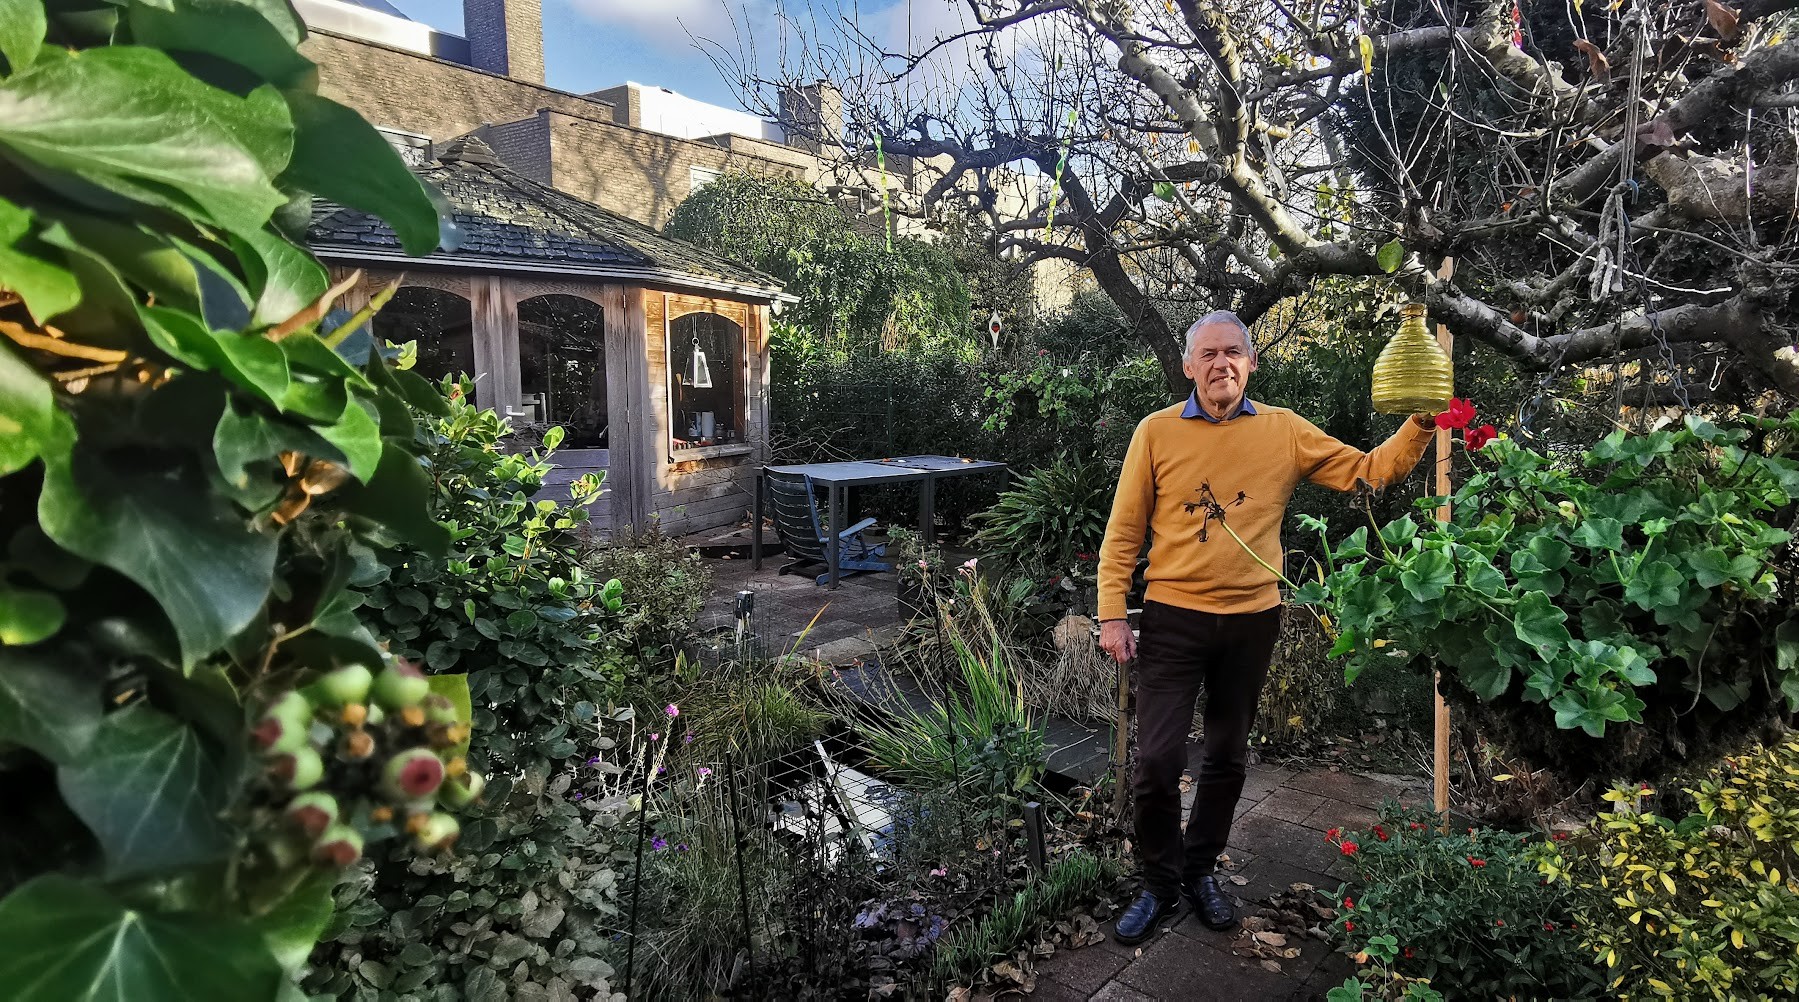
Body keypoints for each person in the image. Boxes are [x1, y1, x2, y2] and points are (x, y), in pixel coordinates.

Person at [1097, 310, 1438, 944]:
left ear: (1251, 363)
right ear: (1188, 366)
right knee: (1157, 760)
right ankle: (1159, 883)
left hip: (1252, 620)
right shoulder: (1156, 432)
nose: (1220, 364)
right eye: (1207, 354)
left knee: (1227, 755)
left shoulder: (1284, 430)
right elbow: (1123, 532)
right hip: (1174, 617)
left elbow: (1367, 471)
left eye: (1232, 352)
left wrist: (1420, 424)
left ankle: (1200, 871)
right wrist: (1112, 611)